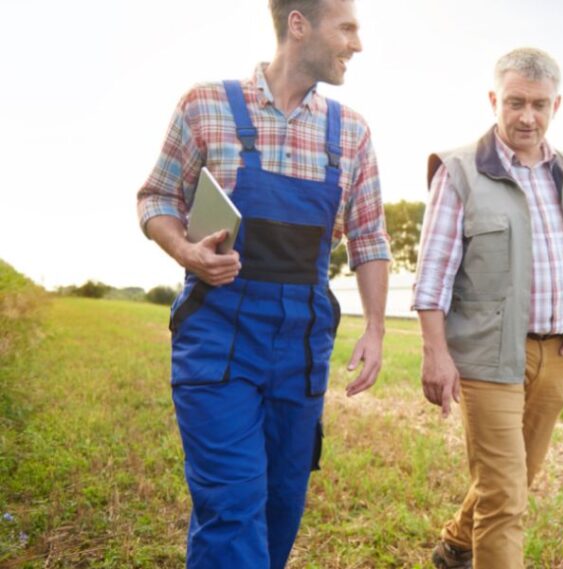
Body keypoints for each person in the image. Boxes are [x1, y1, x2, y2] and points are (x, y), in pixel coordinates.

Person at [135, 1, 390, 566]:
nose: (358, 43)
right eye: (347, 28)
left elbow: (369, 237)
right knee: (233, 503)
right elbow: (155, 198)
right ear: (299, 24)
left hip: (299, 345)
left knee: (280, 502)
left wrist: (375, 328)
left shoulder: (350, 133)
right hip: (217, 334)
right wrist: (185, 250)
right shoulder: (206, 105)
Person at [413, 47, 563, 569]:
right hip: (489, 356)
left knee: (518, 476)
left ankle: (454, 546)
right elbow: (432, 277)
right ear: (494, 100)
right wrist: (435, 354)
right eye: (515, 102)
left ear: (555, 106)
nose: (527, 117)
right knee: (505, 496)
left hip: (555, 352)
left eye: (539, 104)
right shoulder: (460, 172)